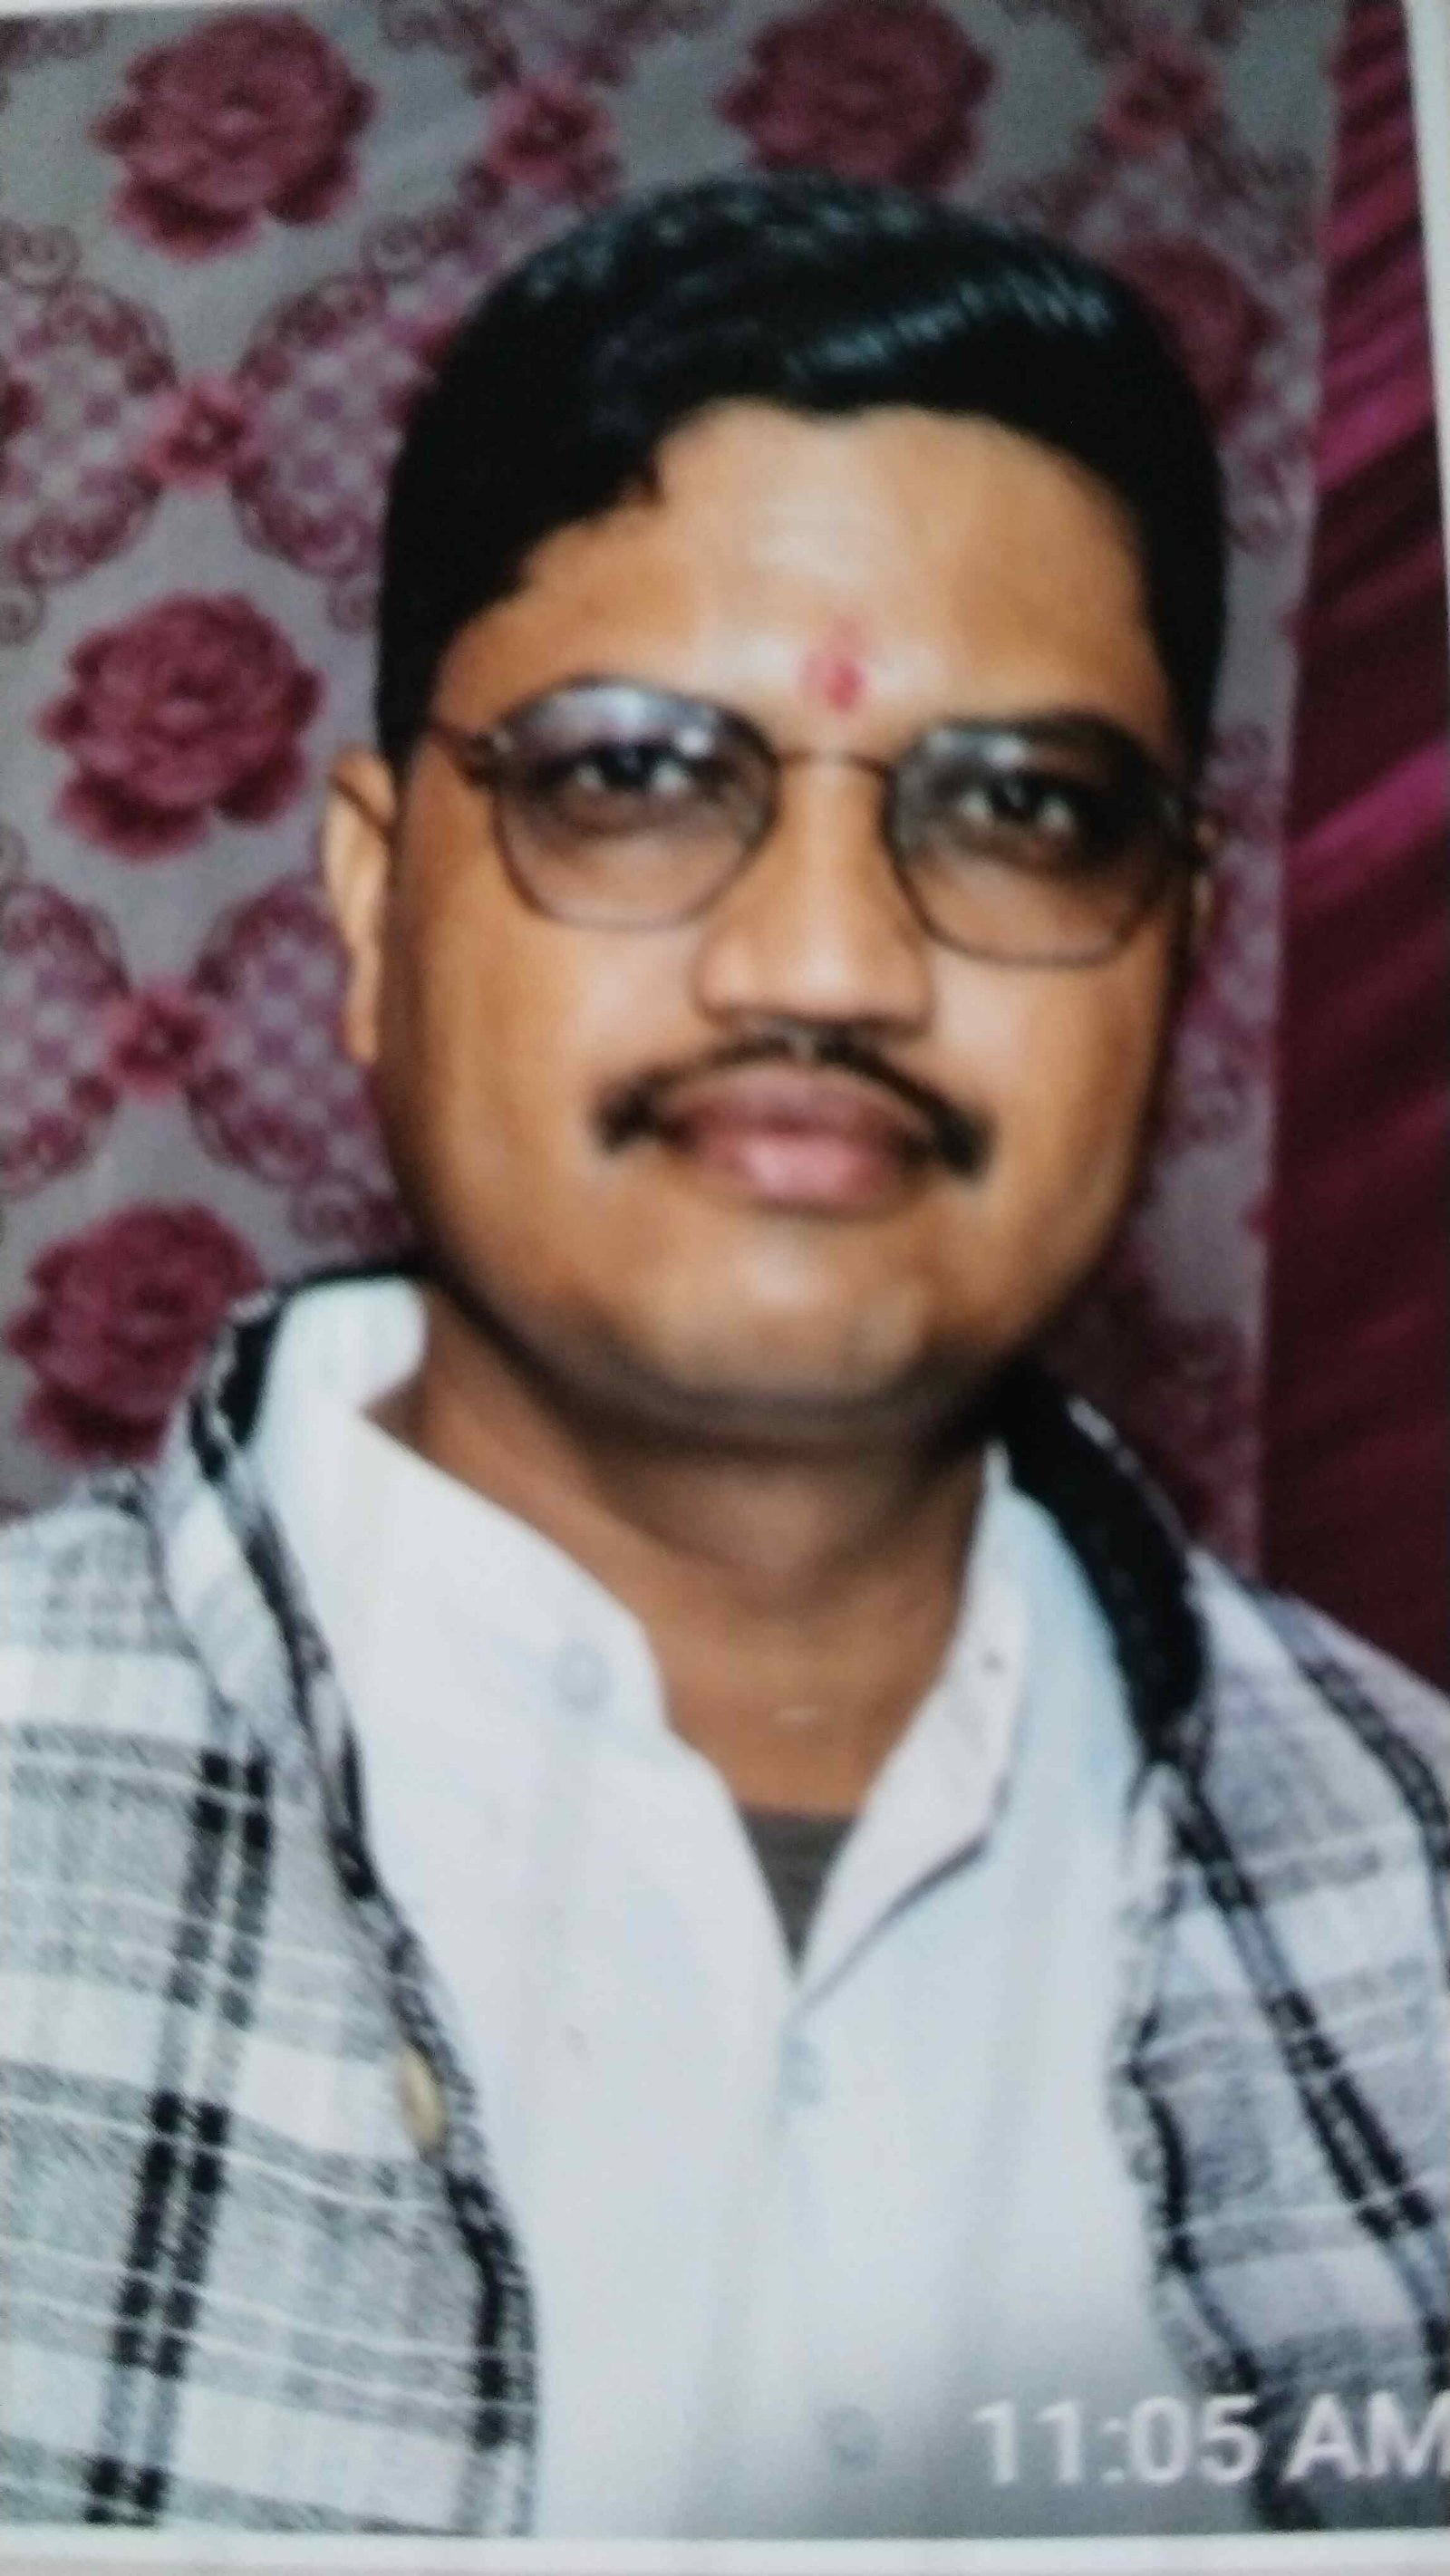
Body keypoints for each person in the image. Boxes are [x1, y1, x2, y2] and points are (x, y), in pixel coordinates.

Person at [2, 176, 1445, 2544]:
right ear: (373, 902)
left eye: (1024, 808)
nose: (827, 963)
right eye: (637, 776)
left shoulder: (1414, 1896)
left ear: (1178, 948)